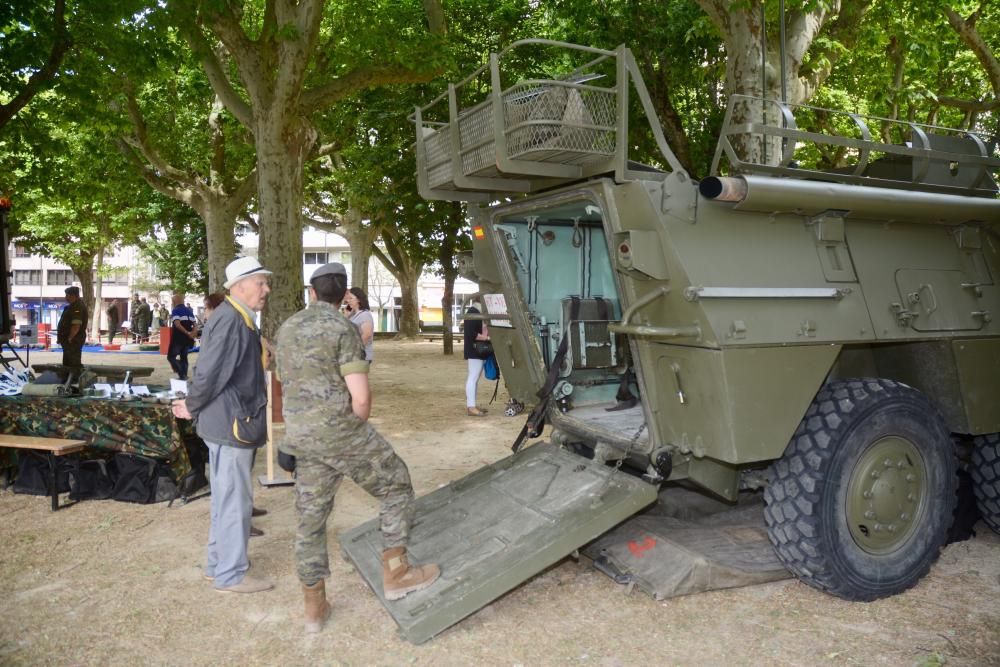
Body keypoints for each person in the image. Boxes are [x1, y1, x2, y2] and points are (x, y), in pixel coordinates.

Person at [275, 262, 440, 633]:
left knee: (310, 521)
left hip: (303, 438)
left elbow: (287, 387)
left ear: (312, 292)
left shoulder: (286, 329)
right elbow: (360, 399)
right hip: (342, 432)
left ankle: (314, 607)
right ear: (343, 295)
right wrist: (352, 434)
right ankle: (397, 574)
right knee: (396, 484)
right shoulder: (343, 328)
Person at [172, 256, 273, 594]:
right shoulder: (232, 320)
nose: (266, 289)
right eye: (261, 282)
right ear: (240, 285)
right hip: (232, 423)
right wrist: (191, 404)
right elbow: (210, 372)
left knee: (227, 498)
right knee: (234, 501)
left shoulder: (237, 317)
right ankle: (231, 573)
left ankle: (219, 565)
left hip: (228, 421)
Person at [463, 300, 491, 417]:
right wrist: (486, 338)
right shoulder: (473, 312)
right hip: (475, 350)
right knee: (473, 377)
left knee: (474, 378)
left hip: (477, 349)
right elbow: (471, 333)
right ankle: (471, 406)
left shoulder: (476, 312)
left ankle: (472, 405)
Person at [57, 286, 88, 378]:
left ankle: (74, 380)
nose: (66, 297)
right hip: (68, 339)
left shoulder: (77, 307)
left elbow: (76, 325)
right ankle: (68, 379)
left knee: (73, 362)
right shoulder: (71, 306)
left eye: (68, 295)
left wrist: (70, 337)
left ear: (74, 296)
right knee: (68, 361)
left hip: (73, 339)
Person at [167, 294, 197, 380]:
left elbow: (177, 324)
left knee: (171, 357)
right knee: (184, 357)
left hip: (178, 339)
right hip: (188, 340)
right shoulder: (189, 311)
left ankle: (181, 373)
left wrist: (187, 332)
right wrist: (192, 333)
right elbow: (195, 325)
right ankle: (184, 374)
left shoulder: (176, 310)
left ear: (174, 302)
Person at [344, 286, 375, 363]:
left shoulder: (365, 315)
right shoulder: (353, 315)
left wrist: (355, 351)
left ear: (358, 299)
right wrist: (346, 317)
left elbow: (367, 335)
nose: (348, 301)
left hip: (361, 356)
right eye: (348, 298)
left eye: (351, 298)